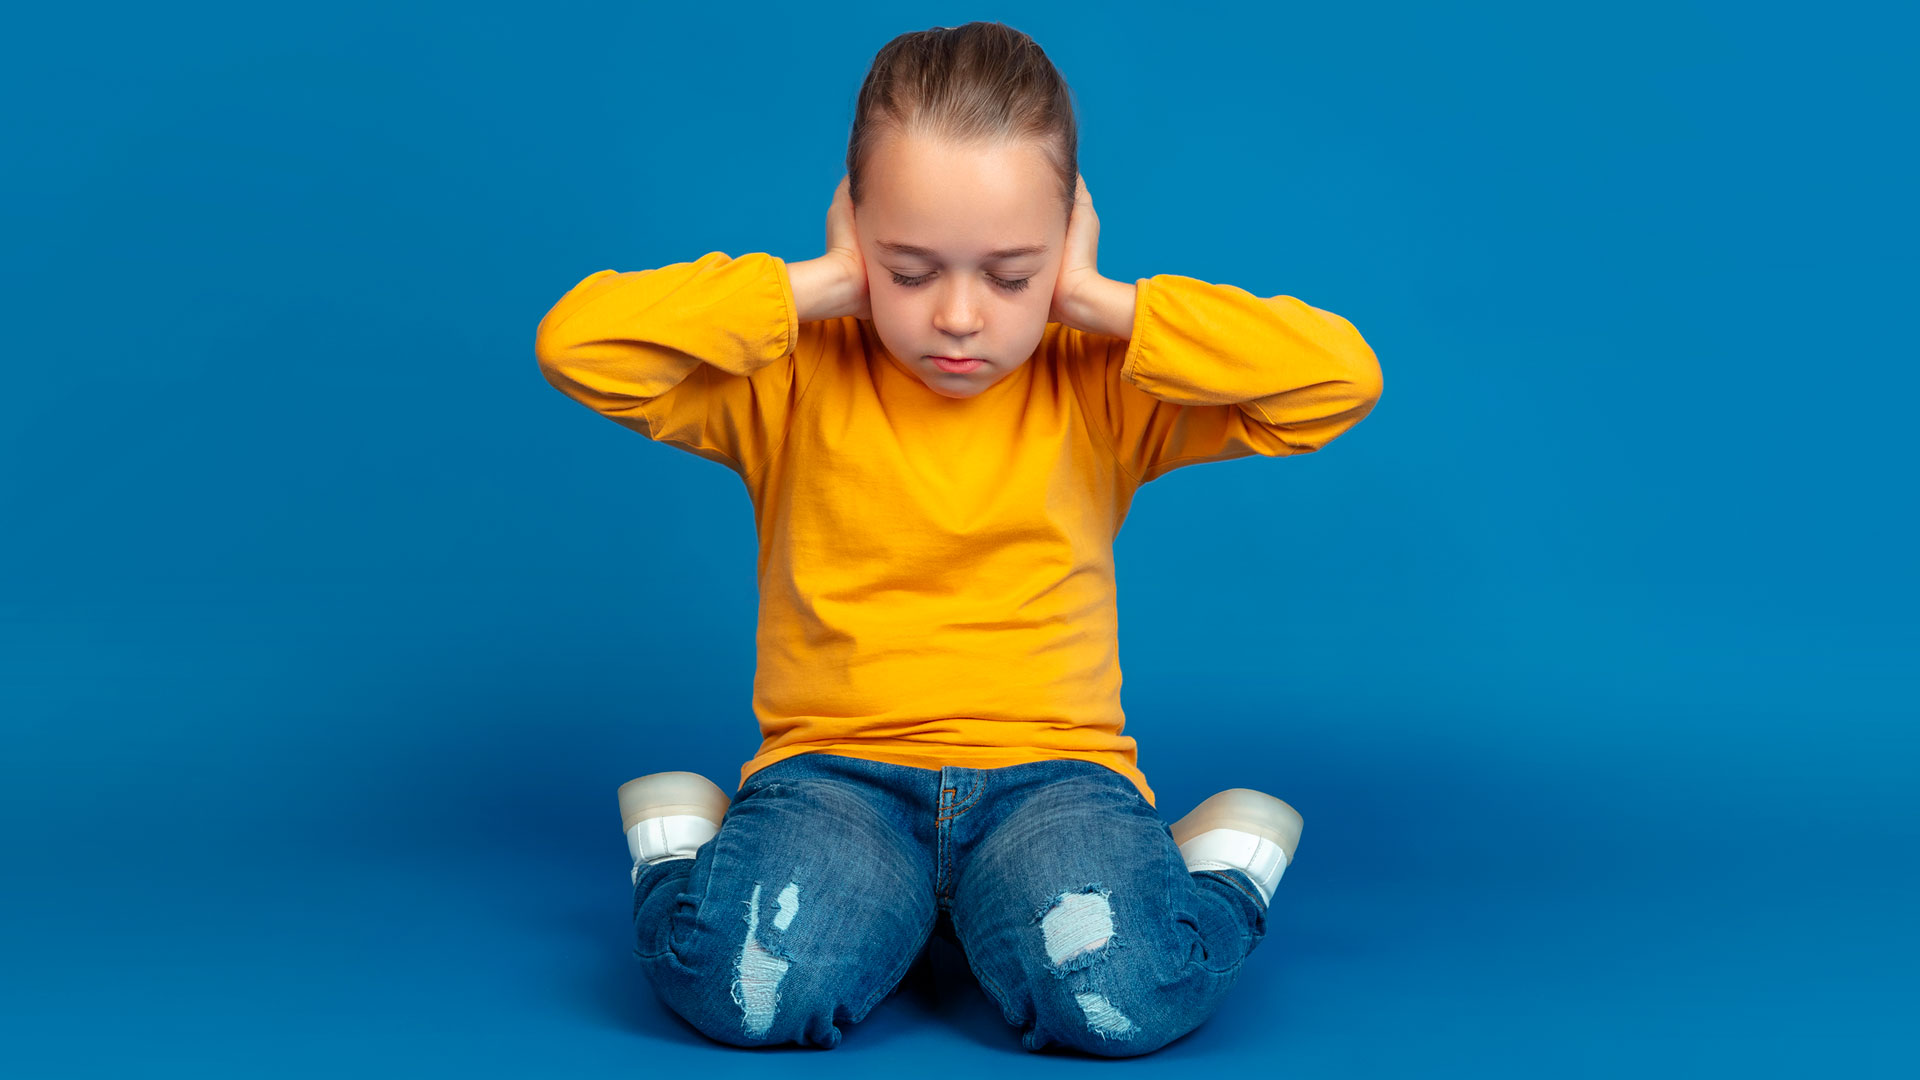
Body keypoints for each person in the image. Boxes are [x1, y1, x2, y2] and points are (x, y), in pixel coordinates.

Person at [535, 20, 1383, 1055]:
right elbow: (579, 344)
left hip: (1051, 781)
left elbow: (1339, 381)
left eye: (1012, 275)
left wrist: (1095, 303)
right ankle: (680, 852)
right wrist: (816, 285)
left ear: (1068, 233)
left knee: (1120, 998)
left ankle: (1216, 873)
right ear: (851, 223)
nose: (960, 317)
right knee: (746, 991)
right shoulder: (794, 374)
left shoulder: (1096, 379)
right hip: (838, 780)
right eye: (909, 268)